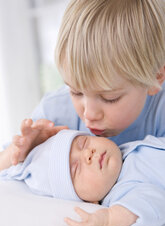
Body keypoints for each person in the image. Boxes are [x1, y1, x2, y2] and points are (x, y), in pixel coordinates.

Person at [0, 0, 165, 166]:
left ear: (155, 78)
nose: (89, 115)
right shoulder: (55, 113)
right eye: (75, 92)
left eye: (109, 98)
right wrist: (23, 153)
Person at [1, 129, 165, 226]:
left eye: (84, 143)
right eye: (76, 168)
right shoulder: (124, 192)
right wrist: (106, 219)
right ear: (88, 201)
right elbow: (150, 208)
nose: (88, 154)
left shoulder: (126, 149)